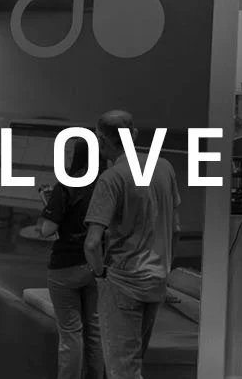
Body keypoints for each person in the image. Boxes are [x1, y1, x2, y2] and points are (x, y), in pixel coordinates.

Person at [83, 111, 182, 379]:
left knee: (122, 370)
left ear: (101, 140)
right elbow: (176, 230)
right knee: (134, 364)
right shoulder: (164, 168)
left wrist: (100, 274)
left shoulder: (112, 178)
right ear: (134, 135)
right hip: (156, 281)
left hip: (123, 282)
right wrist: (164, 267)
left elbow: (92, 243)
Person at [37, 143, 106, 379]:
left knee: (70, 333)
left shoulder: (66, 185)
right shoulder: (107, 186)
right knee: (95, 331)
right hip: (96, 265)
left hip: (65, 268)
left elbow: (48, 230)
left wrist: (49, 209)